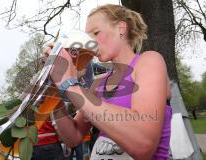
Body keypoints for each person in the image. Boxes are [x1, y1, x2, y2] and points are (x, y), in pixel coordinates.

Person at [46, 4, 172, 160]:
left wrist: (70, 84)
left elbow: (143, 143)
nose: (89, 42)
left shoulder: (149, 61)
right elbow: (73, 137)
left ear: (121, 29)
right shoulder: (98, 83)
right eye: (87, 36)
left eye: (96, 33)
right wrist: (54, 93)